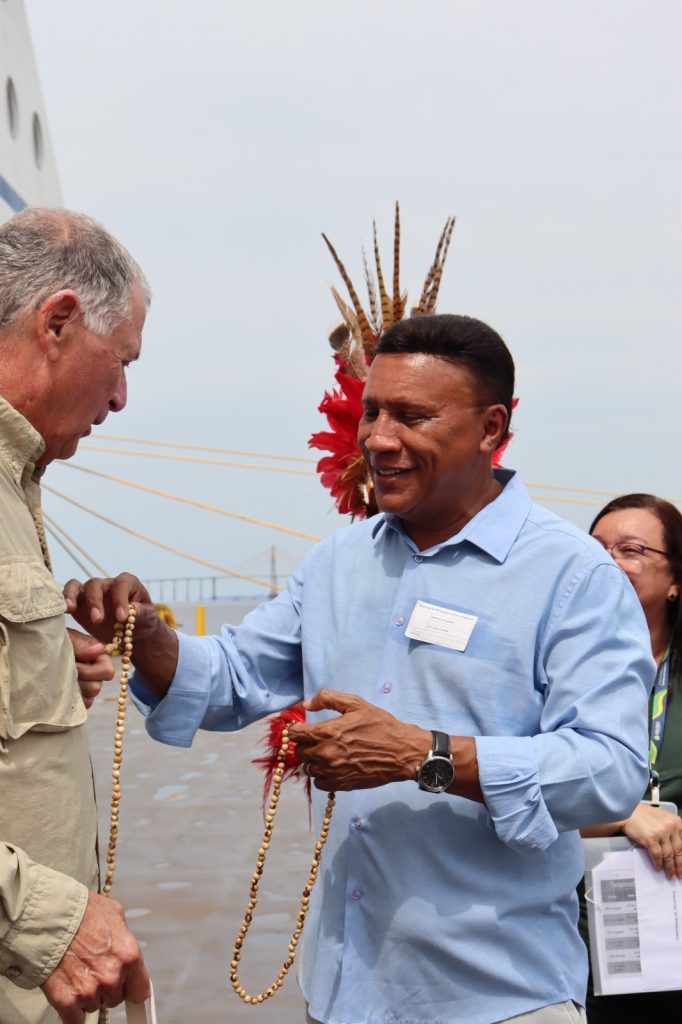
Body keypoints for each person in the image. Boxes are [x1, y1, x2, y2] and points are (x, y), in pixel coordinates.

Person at [66, 314, 656, 1024]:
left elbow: (611, 771)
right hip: (344, 992)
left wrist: (424, 756)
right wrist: (149, 636)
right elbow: (233, 678)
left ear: (492, 427)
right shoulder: (340, 563)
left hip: (499, 997)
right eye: (372, 411)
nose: (378, 438)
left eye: (412, 416)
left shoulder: (573, 577)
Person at [0, 208, 152, 1024]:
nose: (123, 397)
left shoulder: (17, 486)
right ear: (58, 321)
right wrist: (47, 919)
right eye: (120, 360)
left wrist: (43, 681)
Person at [580, 493, 682, 1022]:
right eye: (596, 548)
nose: (610, 562)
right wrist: (622, 815)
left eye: (633, 550)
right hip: (569, 941)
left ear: (675, 582)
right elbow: (502, 796)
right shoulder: (547, 675)